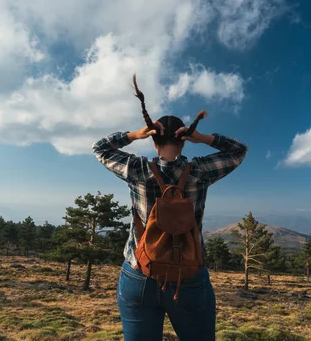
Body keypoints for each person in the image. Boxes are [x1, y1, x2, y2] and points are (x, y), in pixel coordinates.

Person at [92, 75, 248, 341]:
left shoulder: (137, 169)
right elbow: (238, 150)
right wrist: (203, 137)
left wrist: (133, 134)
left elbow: (100, 148)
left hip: (140, 272)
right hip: (188, 275)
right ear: (184, 140)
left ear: (153, 141)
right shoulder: (199, 171)